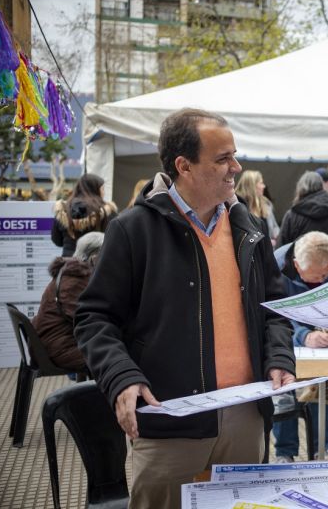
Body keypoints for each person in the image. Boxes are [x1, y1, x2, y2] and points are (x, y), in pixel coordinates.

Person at [74, 108, 296, 508]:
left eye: (235, 154)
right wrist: (122, 377)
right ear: (184, 166)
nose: (236, 166)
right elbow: (94, 317)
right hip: (169, 421)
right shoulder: (132, 229)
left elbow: (275, 305)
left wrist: (279, 355)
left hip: (245, 417)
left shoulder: (248, 227)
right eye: (223, 158)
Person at [271, 231, 328, 462]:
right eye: (313, 279)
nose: (320, 283)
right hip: (289, 339)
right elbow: (274, 314)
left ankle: (320, 448)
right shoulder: (275, 266)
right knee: (284, 393)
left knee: (323, 390)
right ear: (296, 265)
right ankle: (285, 451)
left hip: (326, 340)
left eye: (325, 275)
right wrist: (303, 335)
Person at [32, 232, 104, 372]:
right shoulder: (74, 281)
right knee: (120, 355)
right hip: (60, 349)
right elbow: (87, 319)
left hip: (53, 343)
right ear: (94, 257)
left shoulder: (72, 273)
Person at [277, 171, 328, 248]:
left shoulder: (292, 216)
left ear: (300, 189)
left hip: (300, 259)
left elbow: (281, 249)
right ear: (321, 187)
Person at [51, 173, 117, 257]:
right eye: (102, 189)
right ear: (96, 190)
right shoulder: (107, 211)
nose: (104, 193)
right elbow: (114, 240)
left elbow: (57, 240)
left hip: (68, 264)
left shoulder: (63, 210)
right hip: (95, 264)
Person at [235, 170, 280, 245]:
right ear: (252, 186)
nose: (264, 186)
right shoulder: (238, 206)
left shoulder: (266, 204)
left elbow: (275, 227)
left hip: (266, 253)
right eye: (261, 183)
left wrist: (277, 237)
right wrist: (266, 242)